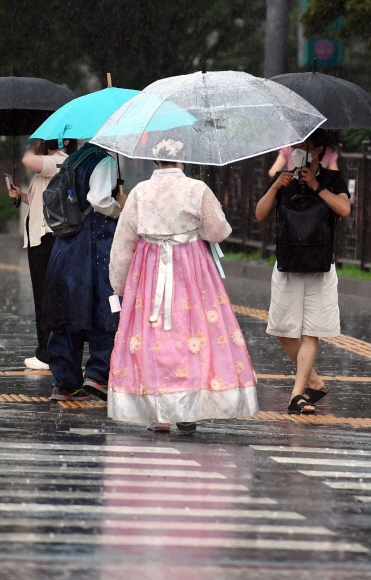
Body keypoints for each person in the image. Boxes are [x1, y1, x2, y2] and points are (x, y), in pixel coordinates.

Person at [108, 139, 258, 433]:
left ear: (155, 161)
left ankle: (158, 412)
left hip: (148, 270)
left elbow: (123, 244)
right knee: (193, 333)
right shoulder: (196, 189)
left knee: (153, 337)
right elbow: (218, 231)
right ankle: (190, 407)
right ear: (183, 159)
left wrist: (119, 284)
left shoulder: (139, 192)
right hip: (192, 271)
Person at [256, 129, 350, 415]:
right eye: (295, 145)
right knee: (283, 329)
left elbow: (344, 209)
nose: (298, 150)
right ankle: (314, 382)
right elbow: (260, 214)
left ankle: (298, 395)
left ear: (319, 149)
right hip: (288, 264)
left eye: (304, 146)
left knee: (311, 331)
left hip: (320, 264)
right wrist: (275, 187)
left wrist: (316, 187)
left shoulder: (332, 179)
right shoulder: (284, 180)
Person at [42, 142, 125, 401]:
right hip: (95, 243)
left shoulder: (73, 159)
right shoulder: (105, 159)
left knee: (67, 310)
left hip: (66, 244)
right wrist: (119, 207)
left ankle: (65, 383)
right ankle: (98, 375)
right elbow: (99, 201)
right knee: (105, 307)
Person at [9, 139, 76, 370]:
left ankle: (47, 353)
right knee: (43, 295)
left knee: (46, 297)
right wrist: (22, 196)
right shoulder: (48, 165)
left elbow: (27, 160)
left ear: (65, 140)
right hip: (39, 239)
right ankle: (47, 350)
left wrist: (34, 144)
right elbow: (40, 200)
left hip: (47, 239)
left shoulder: (59, 160)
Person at [268, 144, 338, 178]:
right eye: (294, 148)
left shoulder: (288, 148)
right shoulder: (329, 152)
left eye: (302, 148)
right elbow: (335, 176)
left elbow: (273, 172)